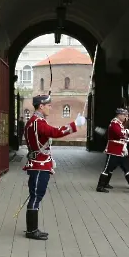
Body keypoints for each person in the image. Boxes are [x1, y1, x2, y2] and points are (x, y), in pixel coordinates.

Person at [23, 94, 84, 240]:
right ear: (41, 106)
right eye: (48, 105)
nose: (51, 107)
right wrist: (75, 124)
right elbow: (55, 132)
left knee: (36, 195)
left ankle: (33, 228)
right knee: (36, 196)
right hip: (39, 165)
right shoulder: (38, 122)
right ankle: (32, 230)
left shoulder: (34, 121)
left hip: (39, 163)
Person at [97, 108, 129, 193]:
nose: (126, 117)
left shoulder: (120, 123)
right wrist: (126, 132)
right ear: (119, 115)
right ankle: (100, 186)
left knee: (127, 168)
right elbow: (120, 134)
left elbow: (124, 134)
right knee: (107, 168)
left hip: (120, 150)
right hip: (113, 150)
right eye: (125, 115)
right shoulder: (114, 123)